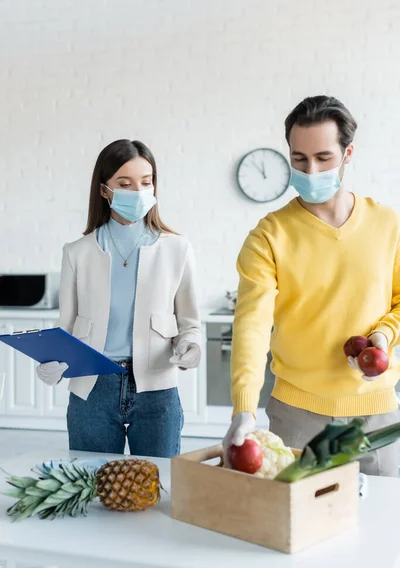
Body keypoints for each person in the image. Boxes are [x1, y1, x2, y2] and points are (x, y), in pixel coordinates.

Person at [223, 96, 400, 476]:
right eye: (299, 159)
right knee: (302, 529)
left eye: (323, 157)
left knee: (383, 527)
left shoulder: (387, 225)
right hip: (296, 419)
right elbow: (252, 326)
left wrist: (384, 336)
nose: (311, 169)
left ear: (347, 153)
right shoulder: (269, 236)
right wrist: (244, 407)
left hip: (377, 413)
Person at [36, 139, 201, 457]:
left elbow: (190, 323)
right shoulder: (77, 252)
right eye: (124, 184)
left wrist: (190, 346)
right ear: (104, 190)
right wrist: (50, 360)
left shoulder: (177, 249)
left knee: (159, 484)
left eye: (146, 182)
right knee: (90, 482)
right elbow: (66, 324)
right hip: (92, 385)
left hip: (156, 386)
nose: (138, 192)